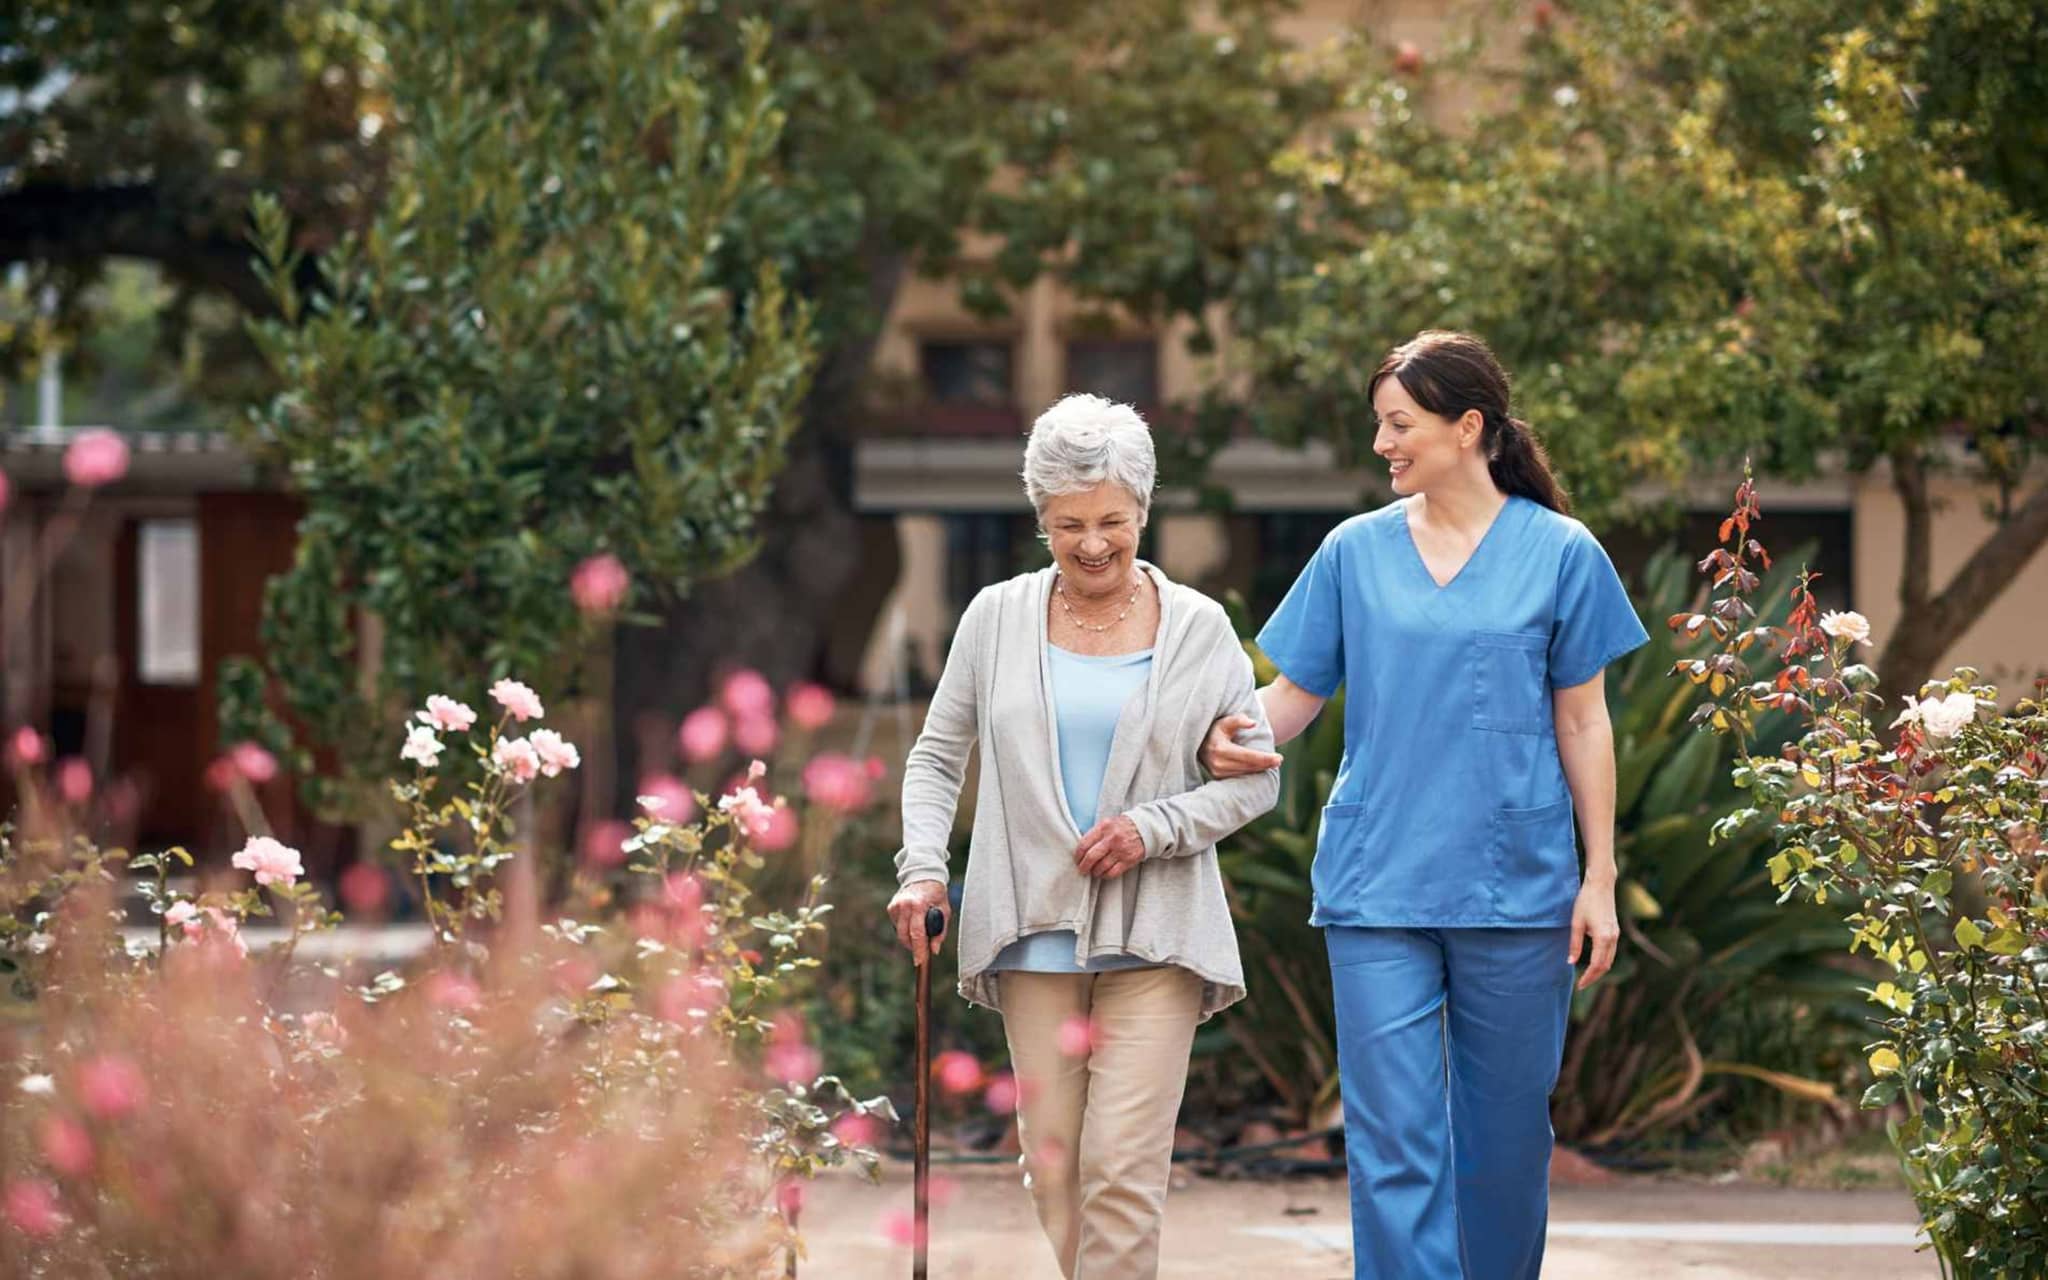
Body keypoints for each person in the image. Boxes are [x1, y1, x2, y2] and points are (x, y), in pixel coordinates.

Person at [1199, 331, 1648, 1279]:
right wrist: (1211, 741)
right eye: (1379, 426)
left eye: (1399, 425)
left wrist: (1599, 877)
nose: (1382, 446)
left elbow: (1584, 724)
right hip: (1378, 885)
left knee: (1506, 1145)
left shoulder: (1561, 553)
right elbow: (1290, 699)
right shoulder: (1352, 553)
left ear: (1468, 427)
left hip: (1517, 888)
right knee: (1393, 1144)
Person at [888, 393, 1280, 1279]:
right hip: (1031, 933)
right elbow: (935, 757)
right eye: (1069, 524)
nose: (1093, 543)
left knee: (1122, 1170)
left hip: (1158, 933)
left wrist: (1155, 828)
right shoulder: (994, 618)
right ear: (1041, 521)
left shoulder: (1199, 628)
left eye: (1111, 520)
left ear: (1143, 510)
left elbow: (1257, 785)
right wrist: (923, 872)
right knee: (1056, 1167)